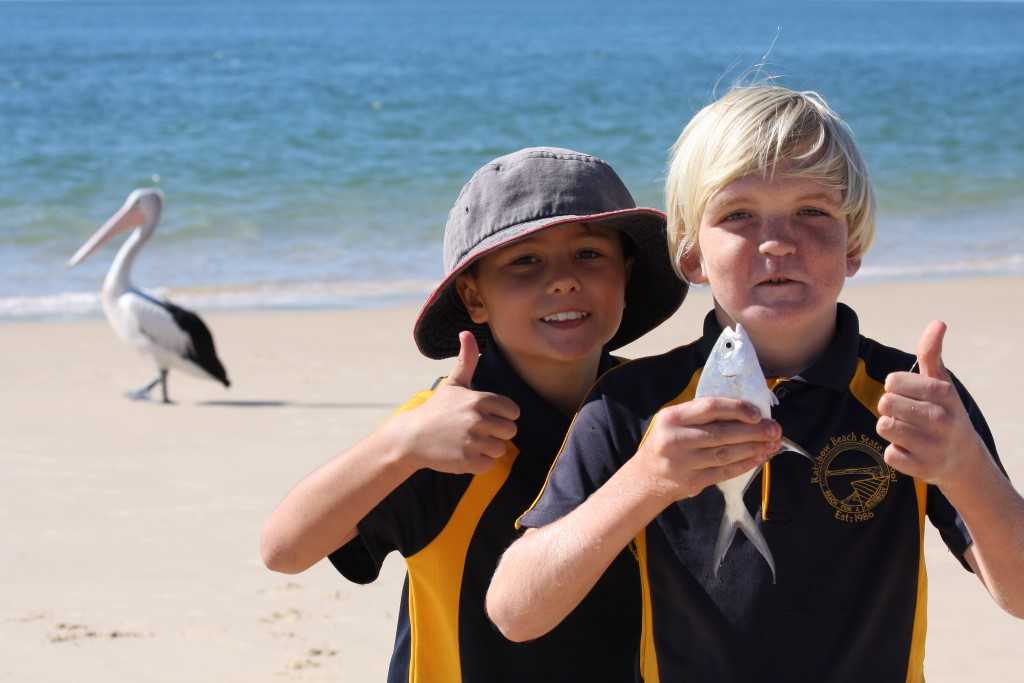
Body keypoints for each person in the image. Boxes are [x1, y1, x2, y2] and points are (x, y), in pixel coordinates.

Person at [486, 87, 1024, 682]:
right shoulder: (633, 403)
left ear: (852, 244)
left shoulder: (911, 396)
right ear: (691, 256)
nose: (778, 242)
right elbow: (516, 612)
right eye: (738, 215)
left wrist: (965, 467)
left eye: (812, 211)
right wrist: (646, 481)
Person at [260, 146, 687, 682]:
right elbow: (284, 549)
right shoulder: (442, 430)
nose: (563, 280)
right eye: (525, 261)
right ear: (473, 297)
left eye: (589, 254)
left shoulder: (660, 411)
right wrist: (402, 444)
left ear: (626, 274)